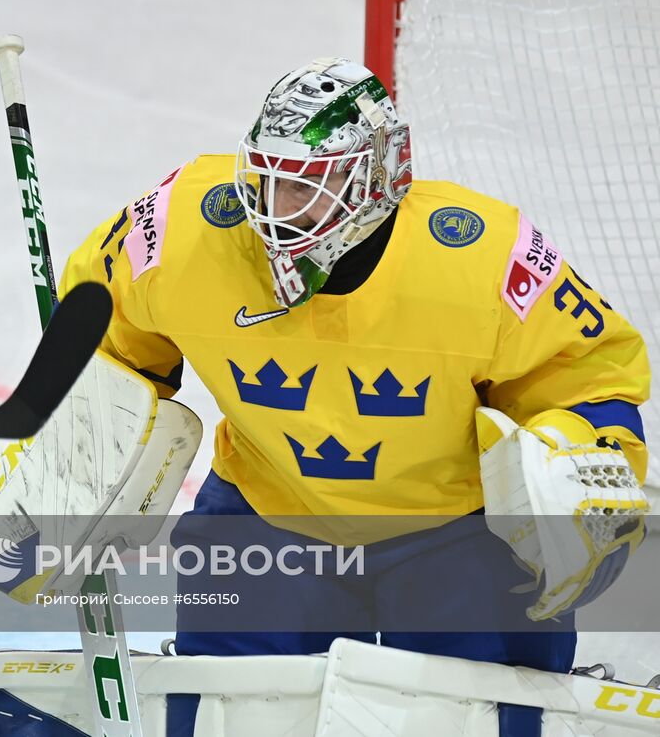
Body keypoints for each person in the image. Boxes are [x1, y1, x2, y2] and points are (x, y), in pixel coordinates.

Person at [56, 57, 650, 735]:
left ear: (378, 177)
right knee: (232, 712)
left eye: (307, 187)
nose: (275, 212)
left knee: (484, 714)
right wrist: (89, 431)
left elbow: (589, 369)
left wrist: (585, 458)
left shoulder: (478, 255)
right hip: (269, 509)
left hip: (455, 525)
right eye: (266, 181)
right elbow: (100, 326)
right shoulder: (185, 227)